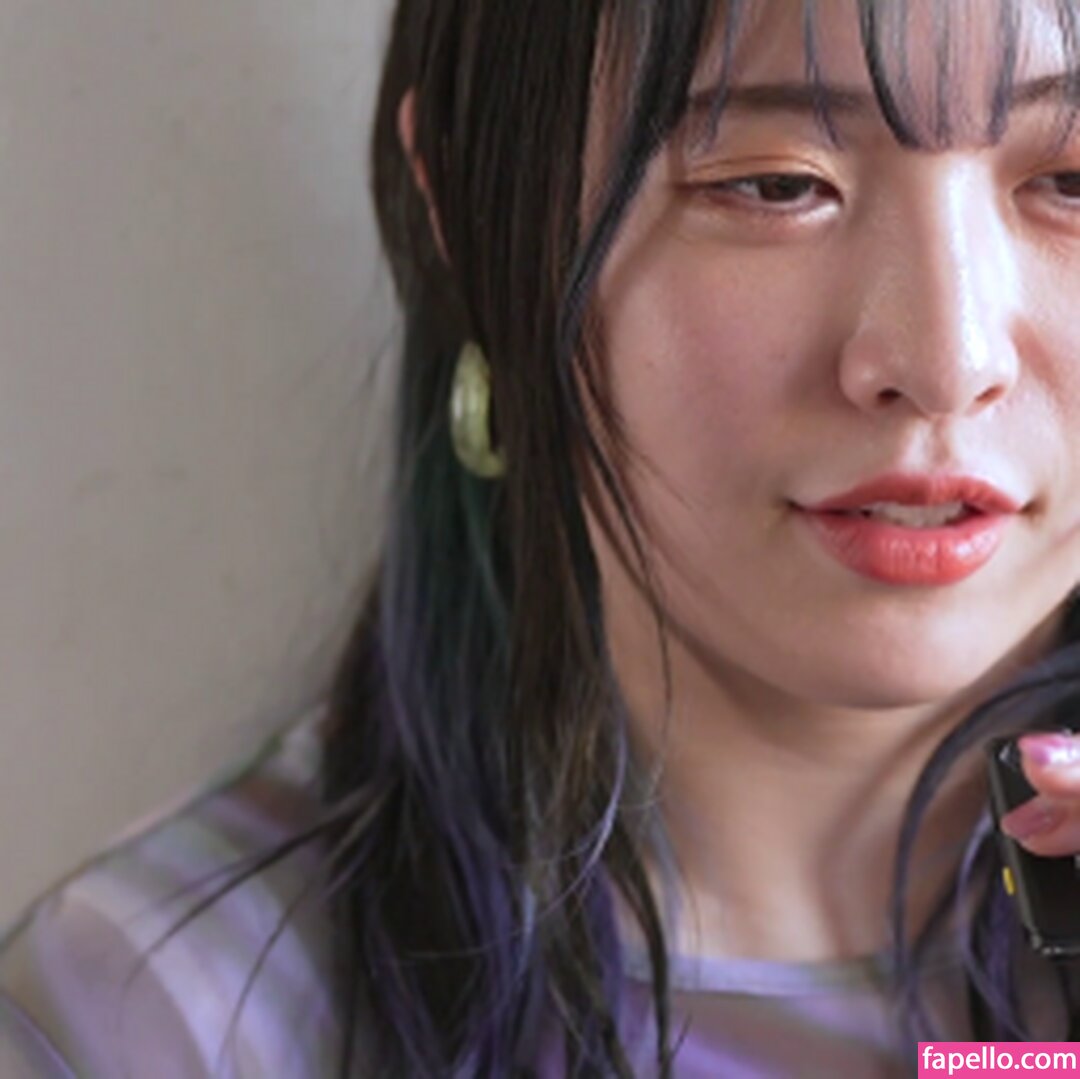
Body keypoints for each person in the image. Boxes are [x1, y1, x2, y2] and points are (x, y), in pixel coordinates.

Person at [6, 0, 1080, 1074]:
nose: (948, 360)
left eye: (1072, 182)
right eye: (774, 184)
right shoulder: (161, 1022)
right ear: (471, 205)